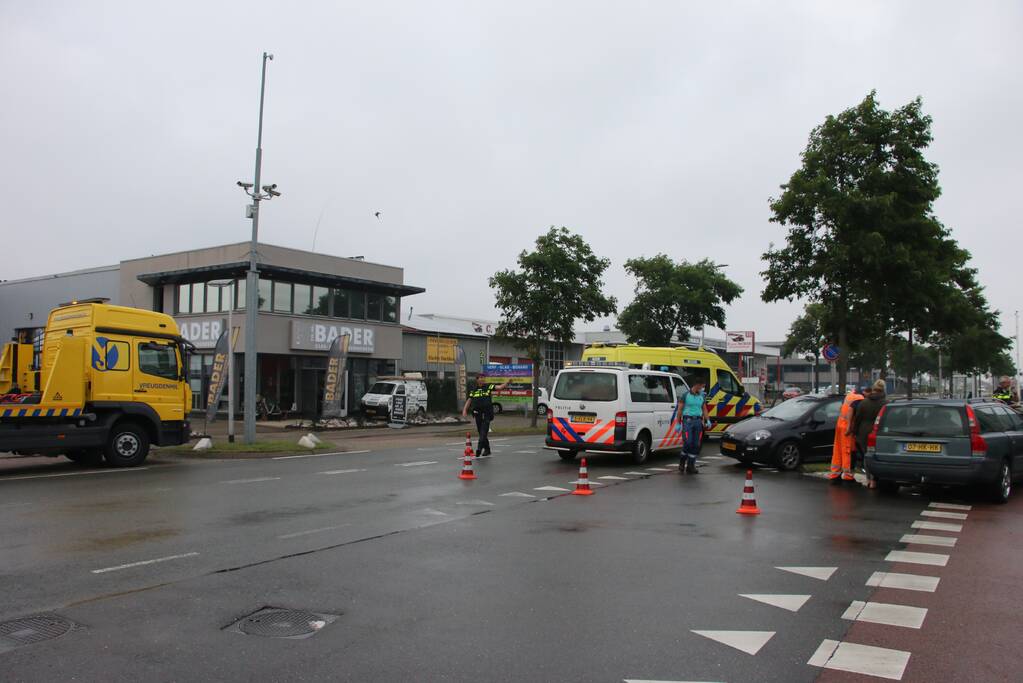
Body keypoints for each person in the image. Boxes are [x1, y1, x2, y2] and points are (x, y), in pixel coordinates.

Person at [461, 375, 510, 457]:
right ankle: (487, 449)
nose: (483, 379)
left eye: (483, 378)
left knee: (484, 430)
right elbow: (469, 400)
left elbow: (500, 387)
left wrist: (507, 383)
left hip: (487, 413)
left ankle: (479, 449)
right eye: (480, 377)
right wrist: (464, 410)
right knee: (481, 432)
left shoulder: (488, 386)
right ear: (477, 379)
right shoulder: (474, 389)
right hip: (477, 413)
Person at [849, 380, 887, 472]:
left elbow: (858, 419)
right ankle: (876, 477)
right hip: (879, 432)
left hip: (863, 432)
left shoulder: (864, 403)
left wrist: (854, 431)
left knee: (867, 456)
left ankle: (869, 479)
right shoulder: (886, 403)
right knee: (879, 456)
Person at [828, 385, 864, 483]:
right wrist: (850, 427)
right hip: (846, 427)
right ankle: (848, 476)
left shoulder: (849, 396)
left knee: (838, 450)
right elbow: (851, 412)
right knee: (847, 451)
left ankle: (835, 474)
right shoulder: (859, 399)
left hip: (840, 424)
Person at [676, 381, 711, 474]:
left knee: (696, 445)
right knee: (688, 442)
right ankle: (682, 462)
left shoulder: (701, 396)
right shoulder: (685, 395)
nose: (703, 388)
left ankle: (691, 466)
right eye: (702, 386)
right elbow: (679, 410)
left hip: (698, 422)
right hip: (688, 421)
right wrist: (678, 423)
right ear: (697, 385)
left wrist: (707, 420)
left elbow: (704, 409)